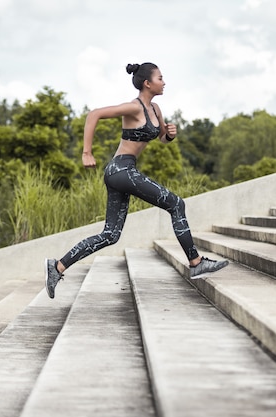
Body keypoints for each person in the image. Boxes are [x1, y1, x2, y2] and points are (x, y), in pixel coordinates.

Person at [44, 62, 229, 299]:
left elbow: (161, 137)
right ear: (147, 83)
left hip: (122, 172)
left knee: (111, 234)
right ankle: (195, 262)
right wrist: (86, 152)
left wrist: (169, 135)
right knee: (176, 204)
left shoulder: (156, 109)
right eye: (160, 78)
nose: (164, 82)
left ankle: (57, 267)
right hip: (121, 170)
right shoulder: (134, 108)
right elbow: (95, 114)